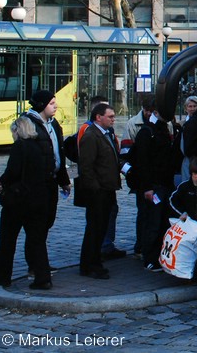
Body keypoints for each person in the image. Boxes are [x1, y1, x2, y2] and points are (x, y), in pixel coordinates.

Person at [0, 90, 71, 290]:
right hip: (39, 198)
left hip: (20, 200)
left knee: (8, 240)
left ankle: (3, 276)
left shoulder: (22, 147)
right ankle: (43, 277)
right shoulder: (40, 148)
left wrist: (2, 183)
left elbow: (13, 172)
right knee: (37, 240)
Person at [76, 102, 122, 279]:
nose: (113, 119)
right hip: (98, 192)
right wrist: (95, 189)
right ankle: (89, 265)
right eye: (110, 116)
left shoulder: (106, 134)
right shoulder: (91, 136)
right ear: (98, 117)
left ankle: (94, 262)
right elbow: (86, 167)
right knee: (94, 229)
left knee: (101, 228)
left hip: (107, 189)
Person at [129, 103, 176, 272]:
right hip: (154, 186)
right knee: (152, 223)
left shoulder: (164, 129)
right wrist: (147, 187)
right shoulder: (147, 132)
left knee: (162, 222)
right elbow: (143, 163)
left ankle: (158, 255)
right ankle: (150, 258)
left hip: (164, 184)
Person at [123, 95, 159, 258]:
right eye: (148, 111)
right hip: (140, 177)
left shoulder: (164, 123)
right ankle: (140, 245)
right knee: (143, 212)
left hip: (157, 176)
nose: (150, 115)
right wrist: (132, 173)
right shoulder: (133, 124)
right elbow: (125, 154)